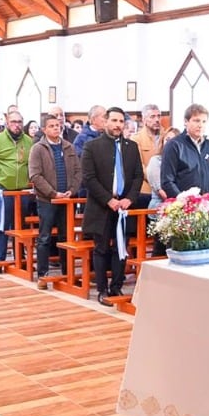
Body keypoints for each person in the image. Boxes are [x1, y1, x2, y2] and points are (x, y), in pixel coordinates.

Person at [81, 107, 143, 306]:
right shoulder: (92, 146)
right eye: (114, 121)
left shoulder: (131, 147)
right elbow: (89, 178)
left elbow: (137, 176)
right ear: (105, 121)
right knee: (101, 249)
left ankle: (117, 285)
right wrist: (109, 200)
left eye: (120, 121)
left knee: (121, 247)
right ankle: (102, 289)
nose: (117, 125)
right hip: (101, 206)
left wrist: (129, 199)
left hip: (123, 206)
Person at [29, 113, 82, 288]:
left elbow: (77, 172)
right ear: (44, 129)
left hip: (67, 199)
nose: (56, 128)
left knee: (66, 236)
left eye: (58, 125)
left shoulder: (68, 147)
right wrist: (53, 193)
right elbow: (35, 175)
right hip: (47, 200)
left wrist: (71, 191)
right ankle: (42, 275)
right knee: (44, 237)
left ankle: (68, 274)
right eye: (51, 126)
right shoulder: (38, 148)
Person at [0, 110, 36, 272]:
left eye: (19, 122)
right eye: (13, 122)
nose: (17, 125)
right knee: (2, 225)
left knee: (22, 226)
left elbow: (32, 163)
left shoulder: (29, 141)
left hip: (23, 190)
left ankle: (21, 259)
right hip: (3, 190)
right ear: (7, 123)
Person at [161, 103, 209, 199]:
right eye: (196, 121)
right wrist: (183, 200)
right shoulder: (174, 145)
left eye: (204, 121)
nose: (200, 125)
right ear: (186, 122)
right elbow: (167, 181)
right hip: (183, 207)